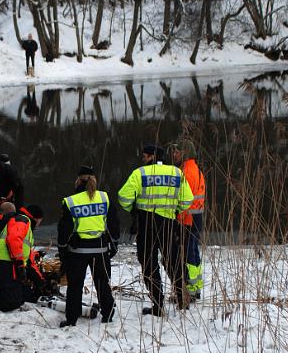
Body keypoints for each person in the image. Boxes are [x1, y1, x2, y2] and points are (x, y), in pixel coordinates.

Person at [118, 144, 194, 316]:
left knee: (149, 264)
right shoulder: (176, 172)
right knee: (173, 261)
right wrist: (174, 209)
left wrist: (134, 209)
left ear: (152, 157)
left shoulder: (140, 173)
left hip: (146, 224)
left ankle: (158, 305)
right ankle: (183, 299)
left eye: (145, 156)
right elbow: (187, 199)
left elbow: (123, 196)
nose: (143, 159)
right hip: (168, 223)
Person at [57, 166, 120, 327]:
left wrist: (62, 249)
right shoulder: (104, 197)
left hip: (77, 251)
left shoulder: (71, 201)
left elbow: (64, 229)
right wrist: (114, 244)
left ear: (78, 180)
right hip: (100, 248)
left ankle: (72, 318)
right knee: (102, 283)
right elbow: (113, 223)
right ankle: (108, 312)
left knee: (75, 285)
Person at [0, 202, 41, 312]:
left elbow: (28, 257)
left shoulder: (10, 223)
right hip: (6, 262)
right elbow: (14, 239)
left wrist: (39, 281)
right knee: (12, 302)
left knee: (22, 295)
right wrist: (19, 264)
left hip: (3, 262)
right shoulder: (22, 220)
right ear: (37, 219)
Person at [169, 139, 206, 300]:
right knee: (193, 253)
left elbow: (185, 200)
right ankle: (195, 288)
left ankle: (190, 290)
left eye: (177, 151)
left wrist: (176, 219)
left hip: (188, 219)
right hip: (195, 217)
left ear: (185, 153)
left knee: (188, 254)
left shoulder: (187, 172)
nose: (174, 154)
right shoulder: (192, 168)